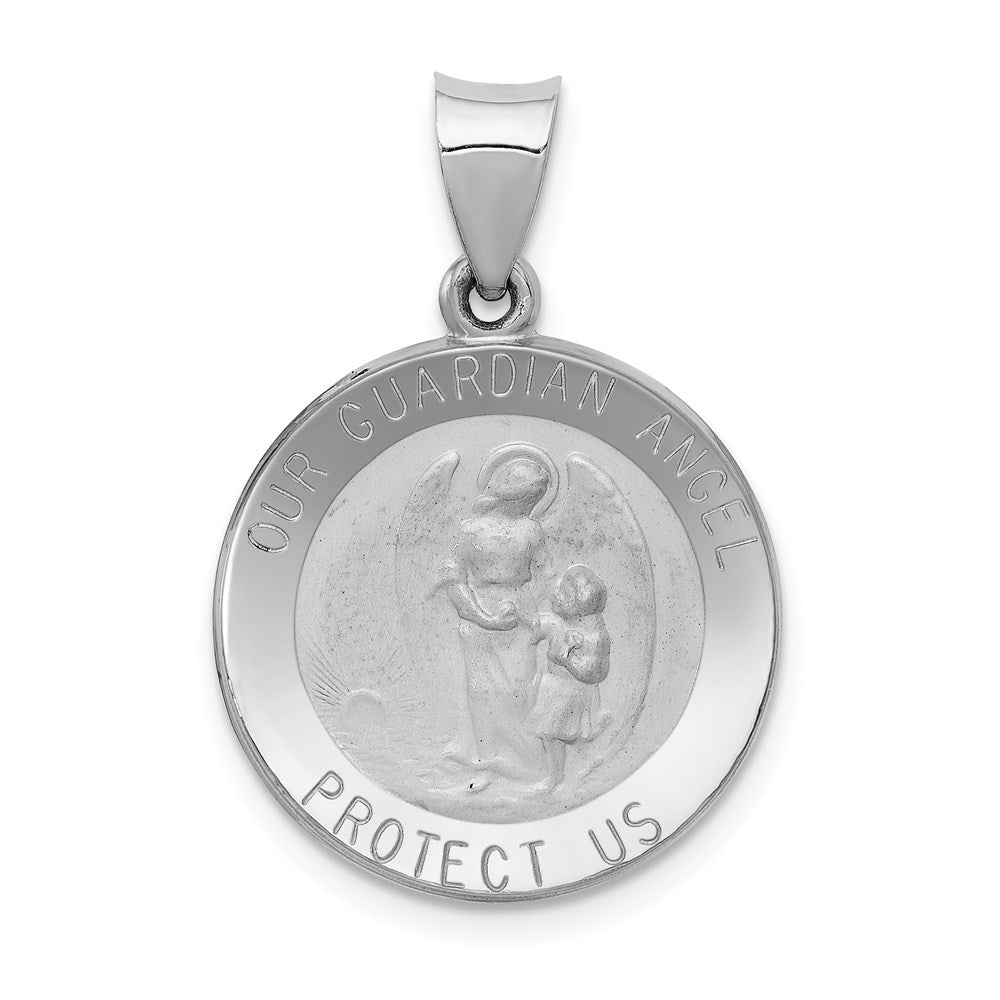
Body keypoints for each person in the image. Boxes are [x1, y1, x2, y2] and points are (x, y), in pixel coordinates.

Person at [527, 564, 611, 790]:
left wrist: (567, 659)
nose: (555, 595)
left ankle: (559, 776)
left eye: (563, 593)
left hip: (572, 693)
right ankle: (564, 772)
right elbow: (543, 627)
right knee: (553, 735)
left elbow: (596, 672)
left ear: (579, 604)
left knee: (557, 735)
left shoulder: (594, 637)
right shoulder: (565, 625)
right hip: (555, 689)